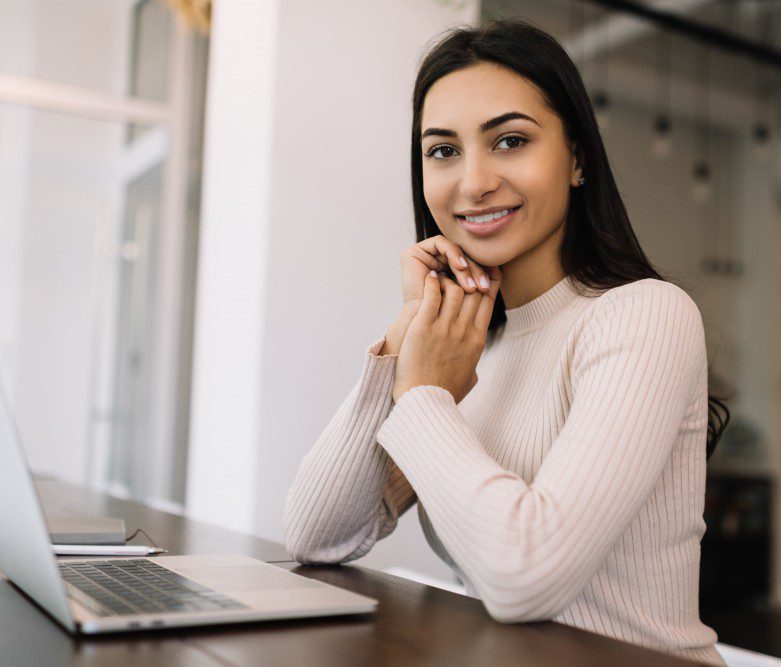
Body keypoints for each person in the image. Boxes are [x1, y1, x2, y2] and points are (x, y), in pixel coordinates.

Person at [283, 18, 729, 666]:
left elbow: (527, 576)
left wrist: (426, 392)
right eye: (443, 150)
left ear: (576, 157)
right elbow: (315, 533)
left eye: (510, 140)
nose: (474, 182)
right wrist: (406, 334)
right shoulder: (463, 349)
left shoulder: (645, 317)